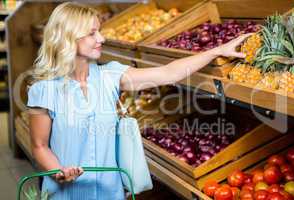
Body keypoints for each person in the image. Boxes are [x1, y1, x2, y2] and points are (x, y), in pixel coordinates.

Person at [27, 2, 251, 200]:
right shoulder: (44, 90)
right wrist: (58, 171)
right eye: (92, 33)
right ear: (68, 37)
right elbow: (40, 145)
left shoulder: (110, 76)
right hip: (66, 194)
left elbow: (168, 73)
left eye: (100, 31)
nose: (101, 39)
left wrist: (218, 50)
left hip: (110, 193)